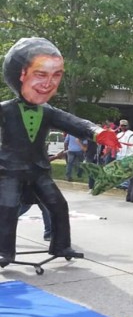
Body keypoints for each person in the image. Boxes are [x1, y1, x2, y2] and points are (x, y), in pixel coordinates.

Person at [0, 37, 120, 266]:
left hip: (38, 170)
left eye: (56, 75)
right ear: (21, 75)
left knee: (58, 205)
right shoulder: (6, 110)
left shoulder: (49, 111)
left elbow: (74, 122)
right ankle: (5, 252)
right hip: (10, 169)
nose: (49, 83)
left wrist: (97, 132)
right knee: (7, 208)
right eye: (41, 74)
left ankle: (61, 244)